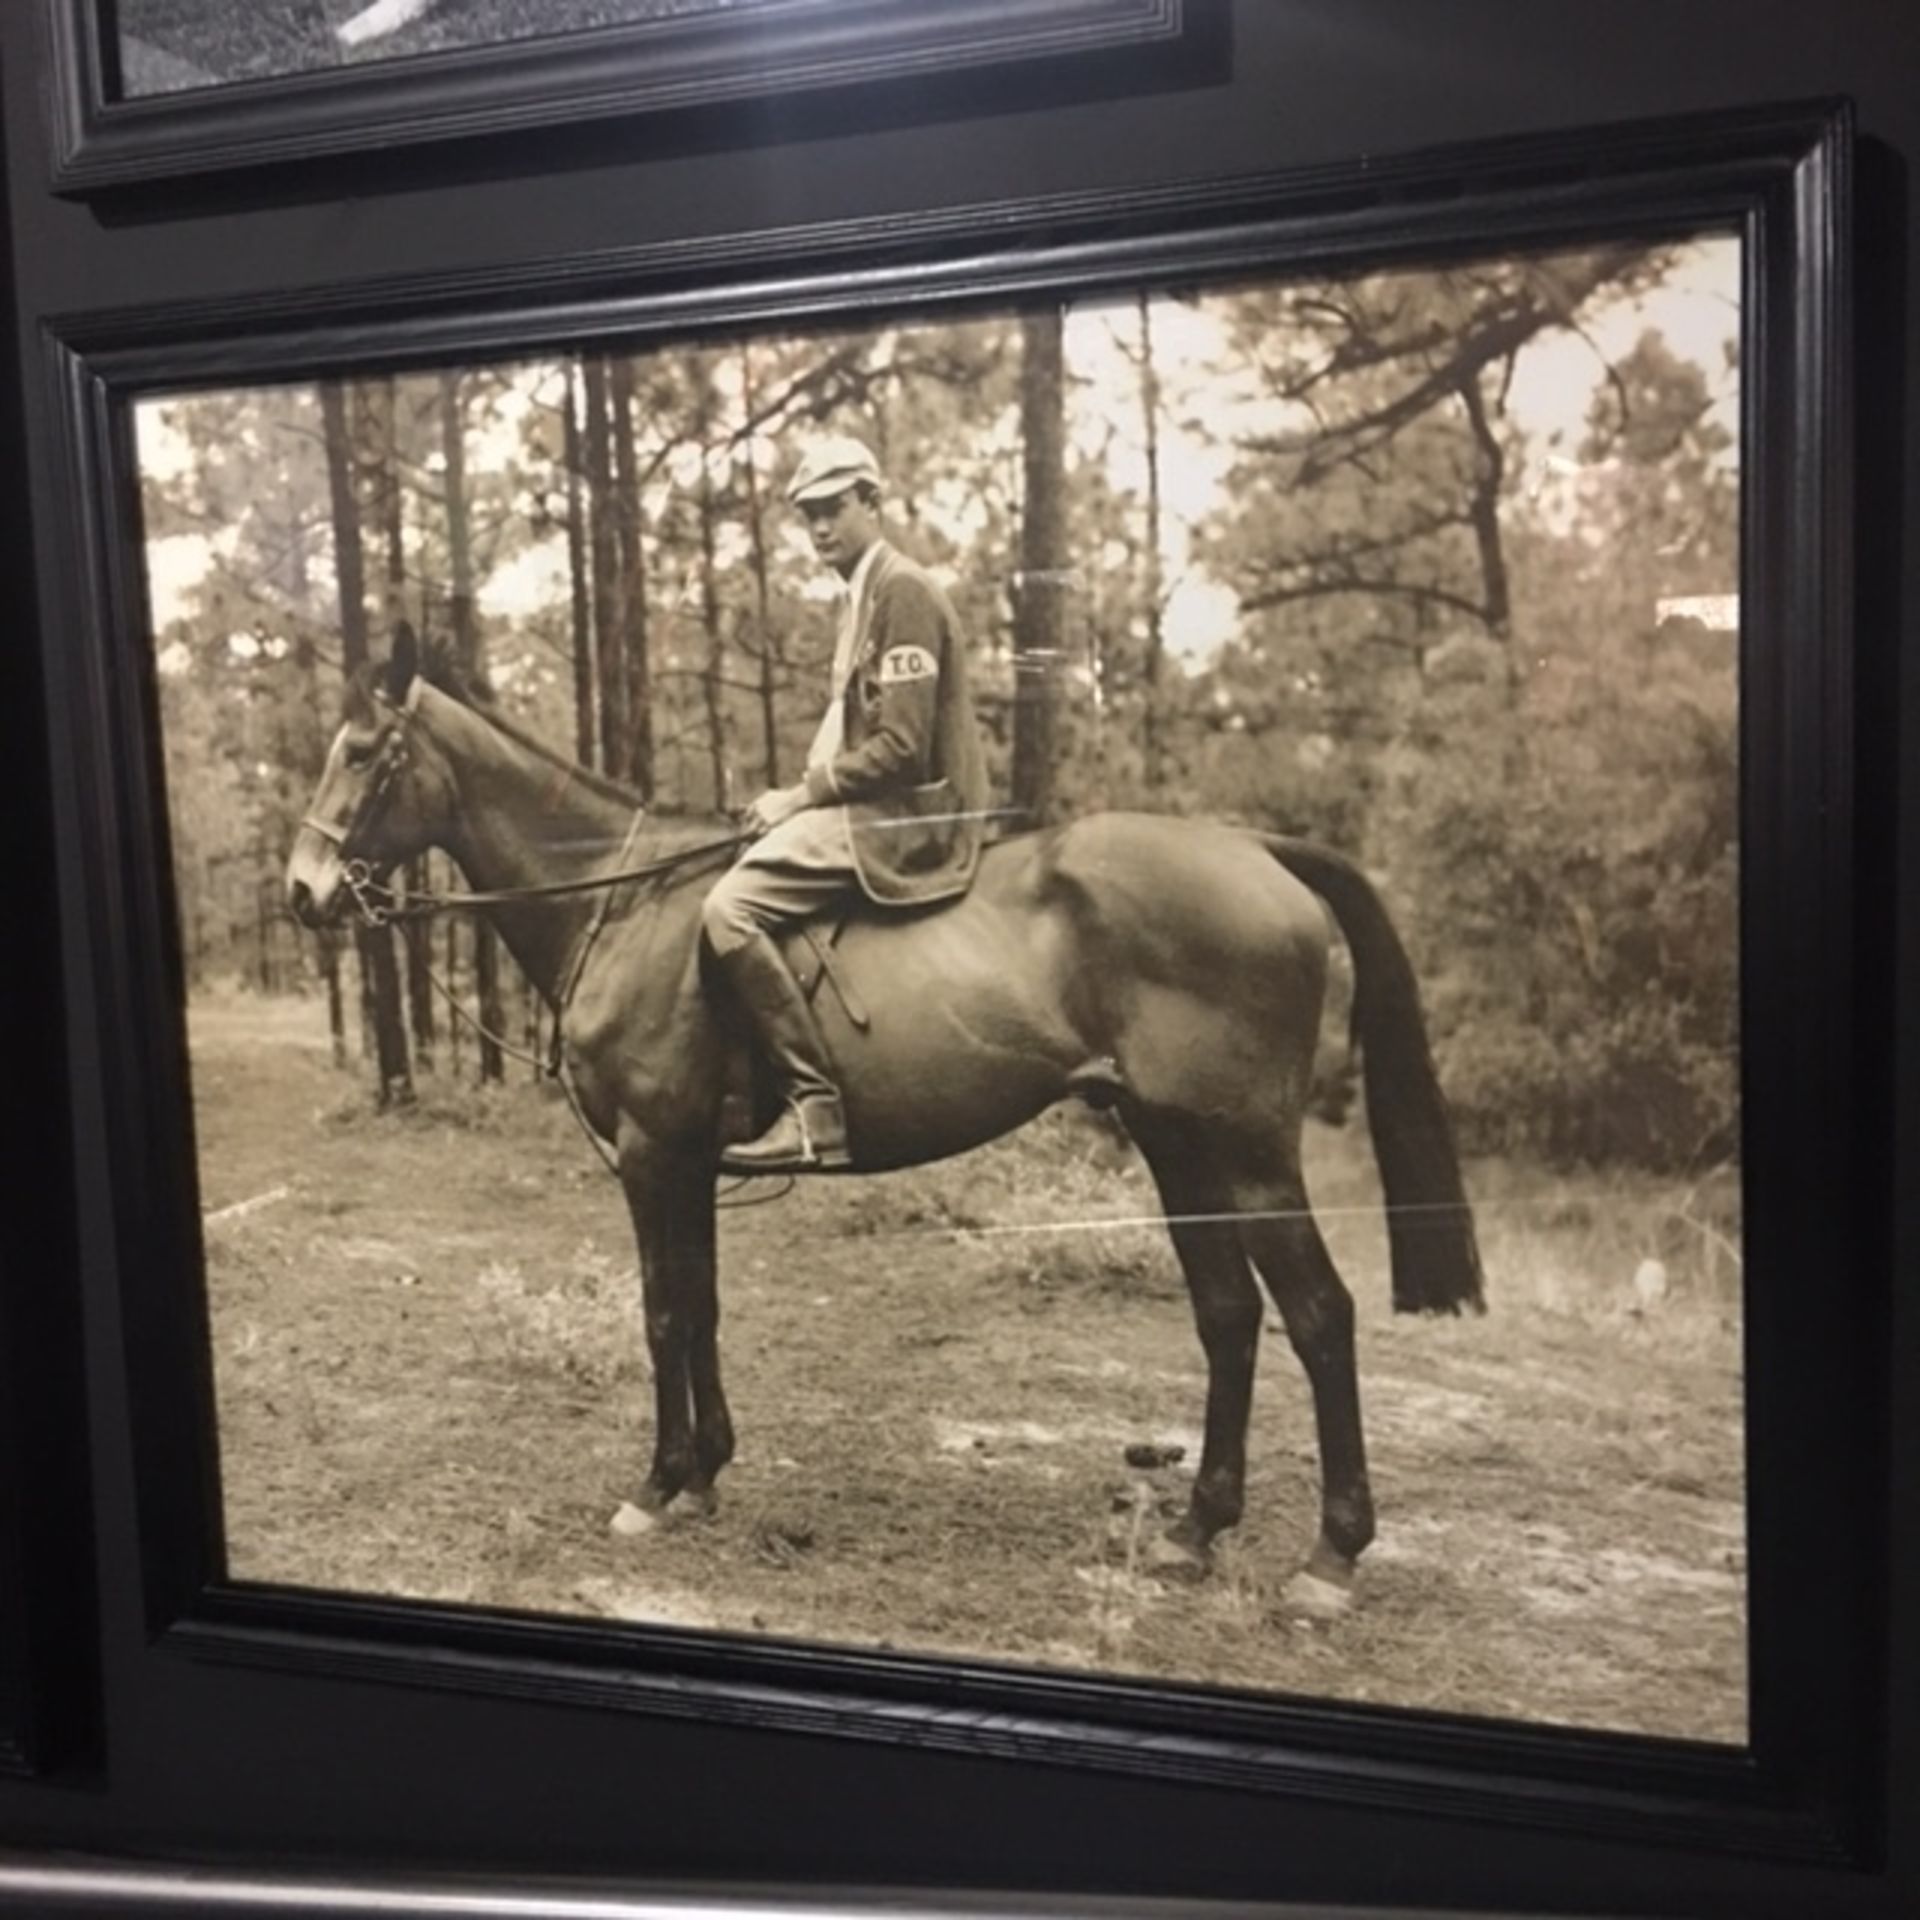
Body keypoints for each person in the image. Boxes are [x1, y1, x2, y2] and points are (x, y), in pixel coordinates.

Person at [701, 434, 988, 1173]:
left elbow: (904, 751)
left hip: (916, 817)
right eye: (809, 516)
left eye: (834, 509)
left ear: (872, 503)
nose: (821, 528)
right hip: (877, 808)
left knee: (728, 910)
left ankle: (814, 1102)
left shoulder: (903, 592)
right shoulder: (863, 596)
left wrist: (801, 796)